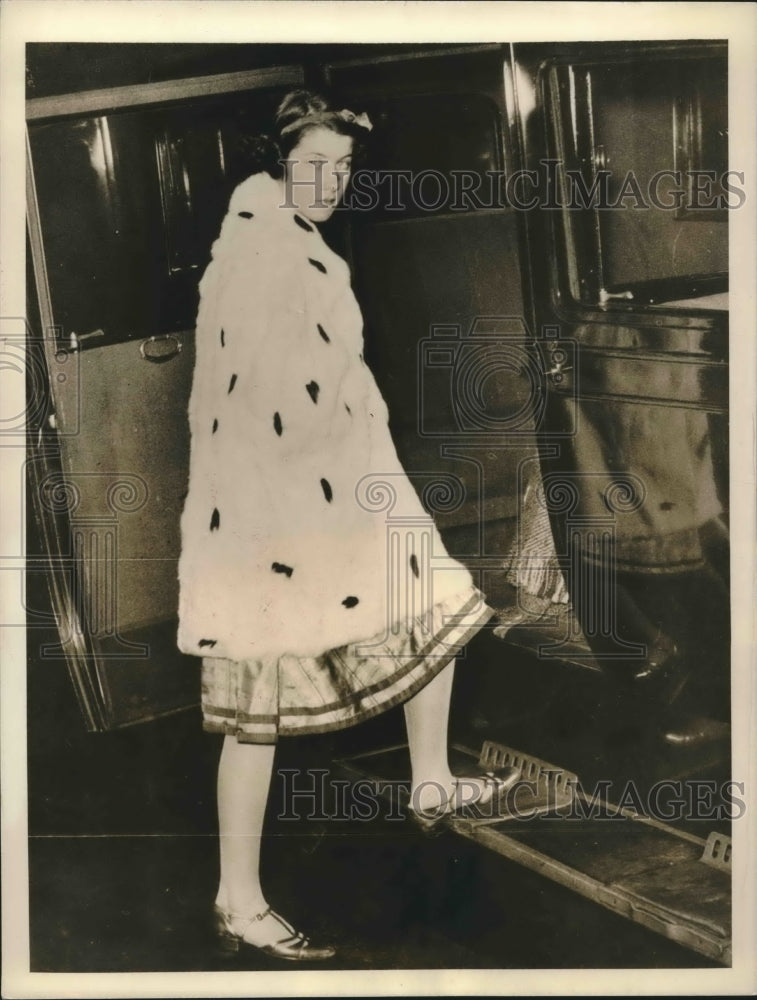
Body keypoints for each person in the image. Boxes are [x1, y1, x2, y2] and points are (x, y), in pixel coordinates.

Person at [177, 89, 518, 961]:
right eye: (313, 163)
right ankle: (237, 899)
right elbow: (256, 404)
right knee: (253, 703)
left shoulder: (290, 240)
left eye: (343, 165)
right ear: (277, 162)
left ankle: (432, 782)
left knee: (435, 599)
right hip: (271, 512)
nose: (329, 180)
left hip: (341, 483)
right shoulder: (258, 253)